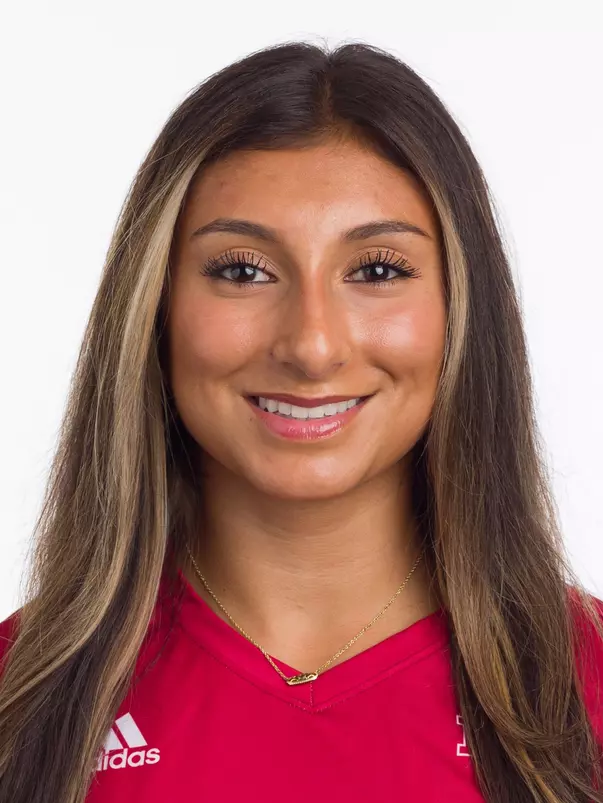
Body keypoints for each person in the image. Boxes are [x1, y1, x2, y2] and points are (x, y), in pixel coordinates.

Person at [0, 40, 602, 803]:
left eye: (377, 270)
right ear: (154, 310)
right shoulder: (18, 703)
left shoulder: (588, 687)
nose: (312, 345)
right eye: (243, 270)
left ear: (459, 312)